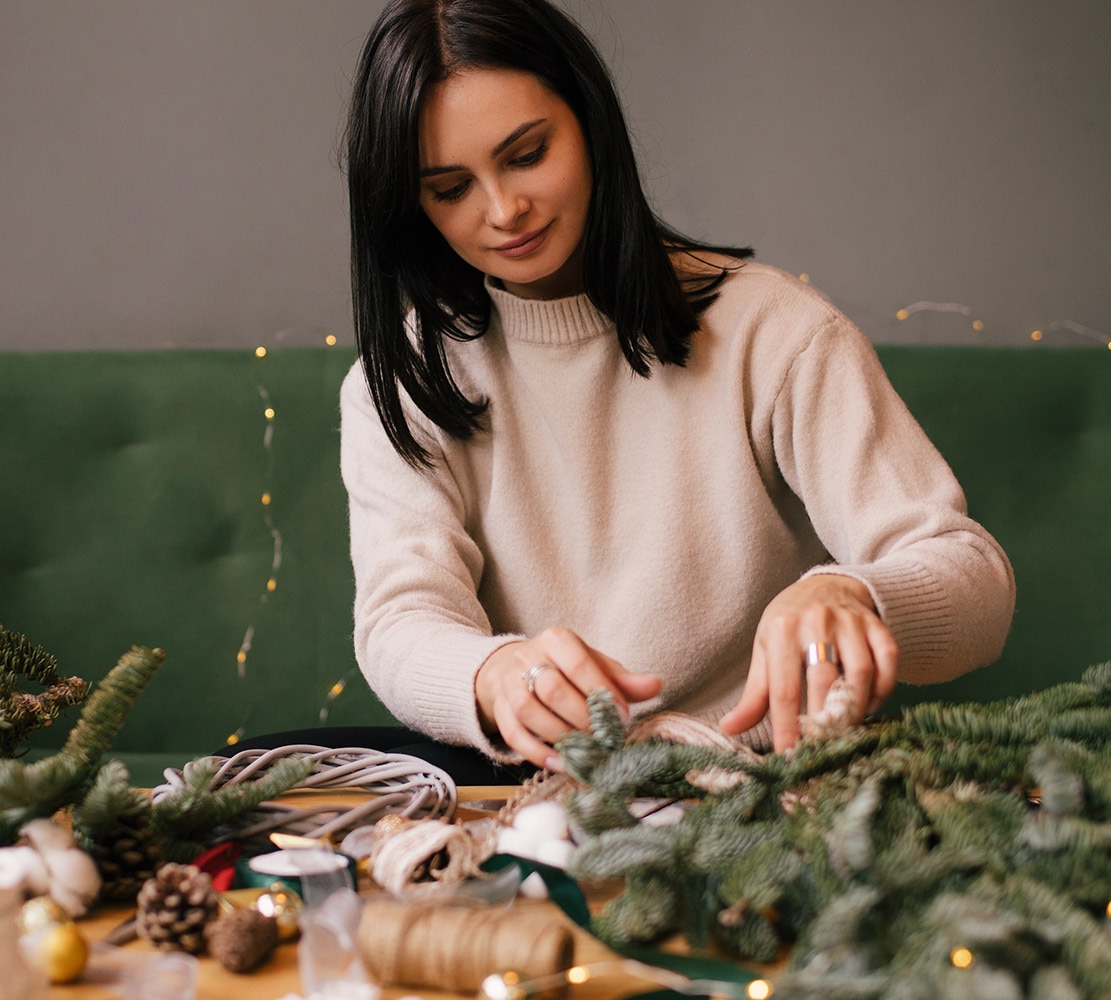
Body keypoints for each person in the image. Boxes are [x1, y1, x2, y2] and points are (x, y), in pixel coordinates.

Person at [234, 0, 1014, 783]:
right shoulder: (399, 379)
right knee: (249, 774)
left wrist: (854, 594)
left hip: (761, 790)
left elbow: (972, 577)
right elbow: (403, 621)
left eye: (527, 154)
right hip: (544, 791)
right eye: (449, 189)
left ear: (589, 121)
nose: (503, 211)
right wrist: (493, 676)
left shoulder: (774, 331)